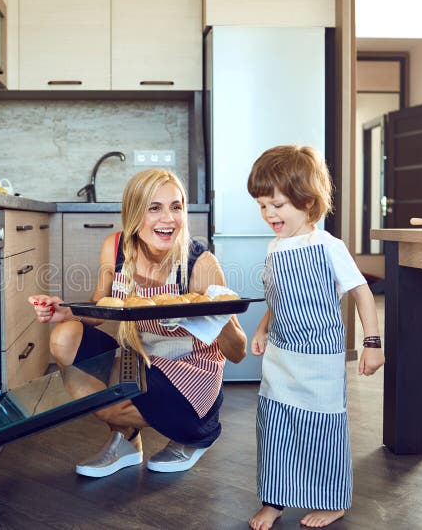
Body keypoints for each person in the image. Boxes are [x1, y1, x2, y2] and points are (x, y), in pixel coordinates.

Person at [29, 168, 247, 478]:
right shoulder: (115, 248)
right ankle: (128, 441)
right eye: (154, 208)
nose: (168, 218)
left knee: (109, 404)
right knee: (65, 337)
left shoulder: (200, 263)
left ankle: (196, 435)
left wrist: (218, 311)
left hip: (189, 372)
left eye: (176, 206)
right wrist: (67, 312)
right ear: (134, 212)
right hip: (139, 357)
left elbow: (237, 352)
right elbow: (101, 307)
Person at [245, 145, 385, 529]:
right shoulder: (275, 249)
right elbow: (278, 298)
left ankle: (333, 499)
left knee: (322, 430)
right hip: (280, 355)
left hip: (319, 359)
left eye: (277, 204)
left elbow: (361, 292)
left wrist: (372, 343)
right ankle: (274, 500)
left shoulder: (328, 247)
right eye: (262, 206)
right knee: (274, 427)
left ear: (307, 202)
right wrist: (262, 328)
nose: (268, 214)